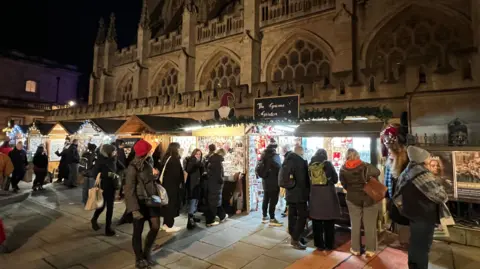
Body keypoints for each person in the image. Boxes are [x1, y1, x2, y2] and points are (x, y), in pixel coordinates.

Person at [394, 146, 450, 269]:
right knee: (423, 247)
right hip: (423, 215)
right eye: (427, 156)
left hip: (413, 214)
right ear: (422, 159)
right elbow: (440, 196)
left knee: (415, 244)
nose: (430, 158)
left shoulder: (407, 171)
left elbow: (397, 194)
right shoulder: (421, 174)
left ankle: (413, 266)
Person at [124, 139, 161, 269]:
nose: (150, 151)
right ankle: (139, 258)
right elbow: (129, 190)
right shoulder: (133, 167)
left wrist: (155, 175)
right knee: (137, 232)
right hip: (139, 202)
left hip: (151, 200)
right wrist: (134, 209)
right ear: (144, 152)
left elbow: (149, 180)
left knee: (156, 226)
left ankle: (147, 252)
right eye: (149, 150)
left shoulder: (148, 163)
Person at [339, 148, 381, 258]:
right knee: (370, 225)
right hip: (369, 198)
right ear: (358, 155)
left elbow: (344, 185)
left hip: (352, 198)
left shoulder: (343, 169)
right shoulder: (365, 165)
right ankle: (370, 250)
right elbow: (377, 172)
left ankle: (355, 249)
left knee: (355, 224)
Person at [309, 149, 341, 250]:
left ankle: (319, 244)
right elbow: (335, 179)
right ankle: (329, 244)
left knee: (316, 222)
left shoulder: (310, 165)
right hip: (328, 197)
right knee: (329, 222)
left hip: (315, 196)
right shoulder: (328, 164)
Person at [282, 145, 310, 249]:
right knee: (302, 215)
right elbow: (303, 180)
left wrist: (291, 186)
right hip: (299, 194)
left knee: (292, 215)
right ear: (301, 153)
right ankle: (295, 238)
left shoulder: (288, 159)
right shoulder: (300, 162)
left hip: (290, 193)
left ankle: (294, 235)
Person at [91, 144, 118, 237]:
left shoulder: (114, 159)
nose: (115, 152)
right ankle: (94, 219)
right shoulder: (100, 160)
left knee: (110, 207)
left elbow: (120, 167)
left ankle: (108, 228)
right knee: (102, 206)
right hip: (103, 186)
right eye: (114, 151)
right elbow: (95, 174)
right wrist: (108, 174)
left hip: (112, 186)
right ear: (108, 152)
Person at [159, 142, 185, 232]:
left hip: (165, 185)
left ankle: (165, 224)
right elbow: (177, 175)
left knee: (166, 204)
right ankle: (169, 225)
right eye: (179, 148)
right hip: (172, 186)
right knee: (171, 204)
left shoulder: (166, 157)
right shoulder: (174, 159)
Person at [256, 140, 283, 226]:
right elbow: (280, 168)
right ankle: (272, 218)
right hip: (274, 182)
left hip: (265, 181)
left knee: (266, 198)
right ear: (275, 148)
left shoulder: (263, 155)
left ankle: (264, 216)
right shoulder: (275, 156)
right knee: (273, 200)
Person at [205, 148, 228, 226]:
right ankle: (210, 220)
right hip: (215, 185)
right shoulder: (218, 162)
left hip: (211, 183)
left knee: (215, 201)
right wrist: (222, 181)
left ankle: (222, 216)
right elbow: (218, 175)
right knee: (214, 202)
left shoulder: (211, 160)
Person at [184, 148, 204, 229]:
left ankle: (193, 217)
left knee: (195, 201)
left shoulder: (198, 162)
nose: (198, 156)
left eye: (199, 154)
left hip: (197, 184)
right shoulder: (193, 161)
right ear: (193, 154)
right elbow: (188, 170)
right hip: (193, 185)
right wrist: (196, 162)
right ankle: (190, 219)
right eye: (197, 154)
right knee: (193, 201)